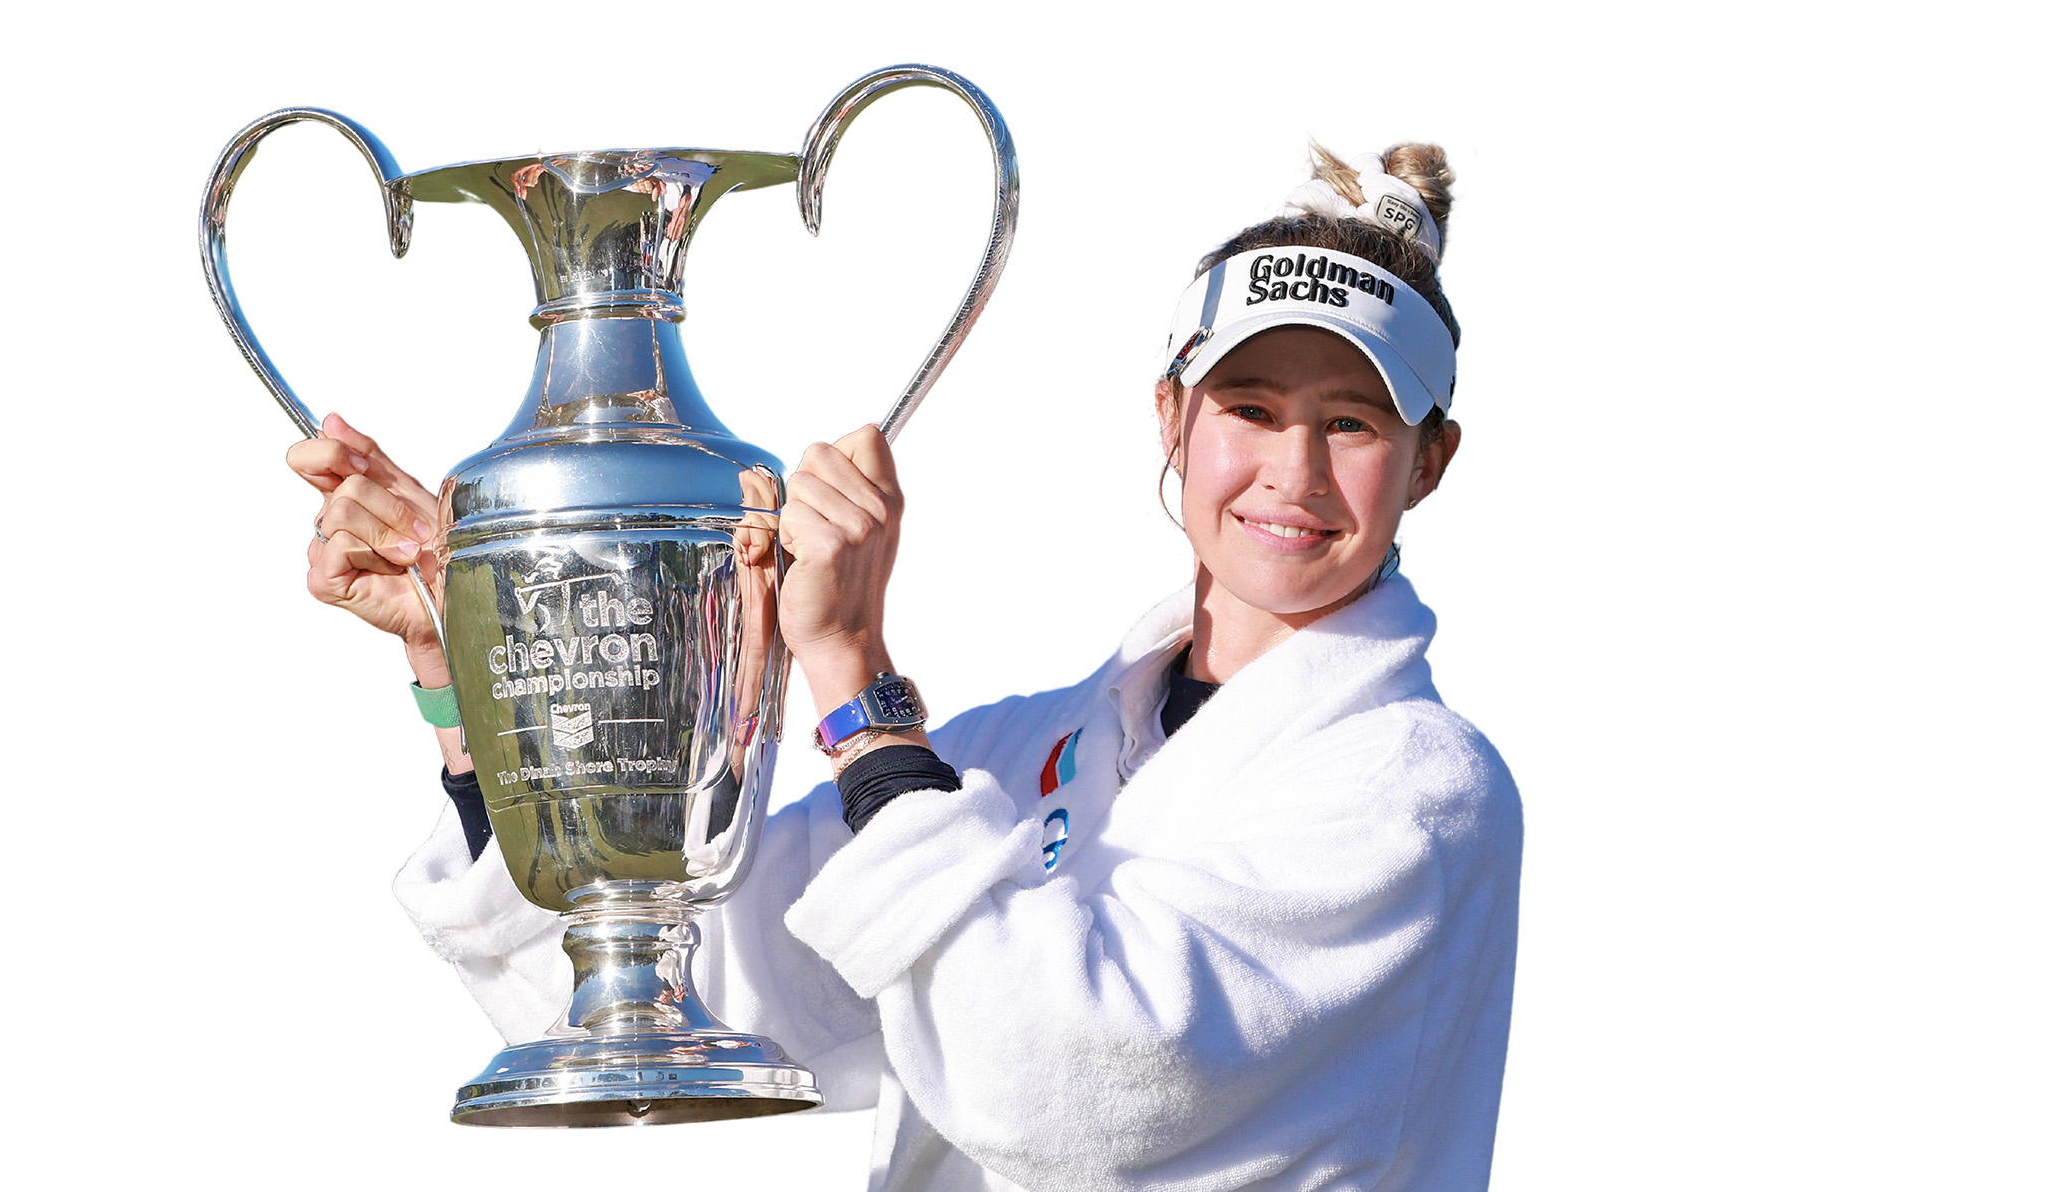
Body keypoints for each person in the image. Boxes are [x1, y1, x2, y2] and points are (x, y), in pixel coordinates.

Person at [288, 143, 1522, 1192]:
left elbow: (1064, 1080)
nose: (1293, 477)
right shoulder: (1023, 754)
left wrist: (853, 670)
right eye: (1251, 406)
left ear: (1432, 460)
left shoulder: (1416, 788)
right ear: (1173, 419)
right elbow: (692, 989)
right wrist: (473, 670)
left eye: (1352, 423)